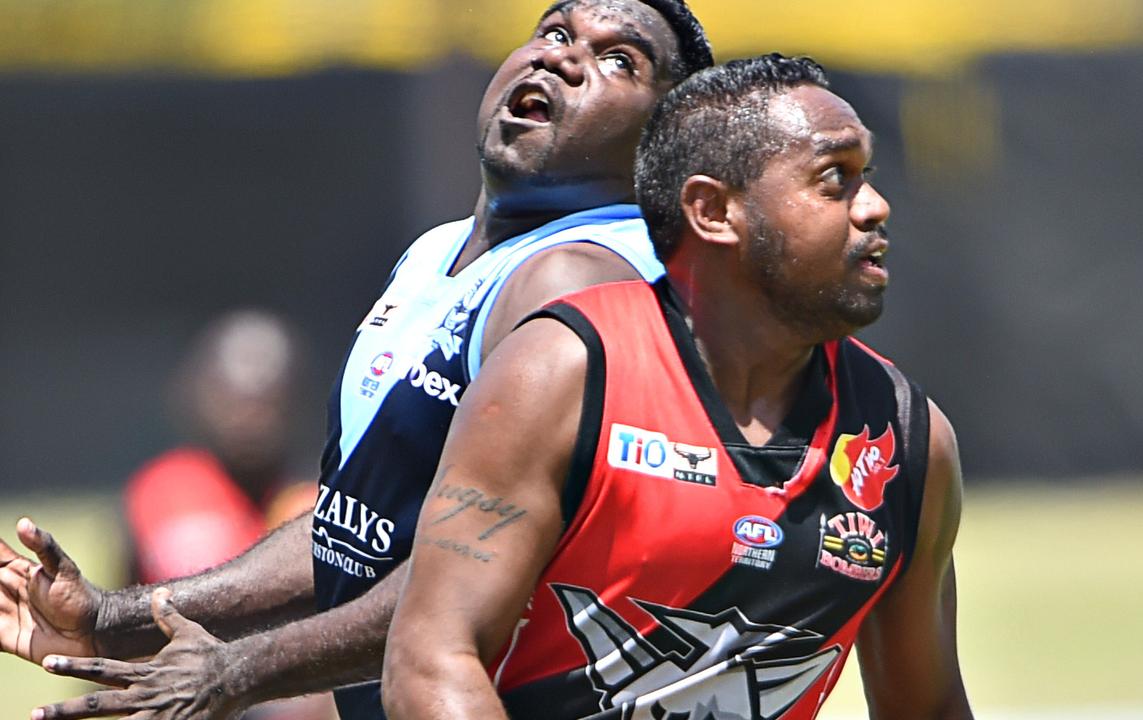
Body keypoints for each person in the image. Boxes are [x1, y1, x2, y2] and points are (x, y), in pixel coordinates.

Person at [0, 2, 713, 719]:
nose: (563, 57)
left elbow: (467, 578)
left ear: (664, 145)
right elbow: (349, 534)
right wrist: (110, 619)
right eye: (555, 32)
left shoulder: (581, 283)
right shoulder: (435, 253)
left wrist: (236, 671)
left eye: (620, 60)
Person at [381, 54, 973, 719]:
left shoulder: (905, 442)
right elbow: (430, 660)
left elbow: (930, 707)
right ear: (713, 210)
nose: (874, 207)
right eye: (835, 179)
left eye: (867, 176)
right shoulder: (562, 375)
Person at [124, 310, 315, 586]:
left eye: (265, 403)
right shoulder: (161, 491)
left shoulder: (325, 500)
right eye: (233, 401)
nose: (248, 419)